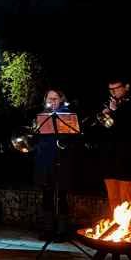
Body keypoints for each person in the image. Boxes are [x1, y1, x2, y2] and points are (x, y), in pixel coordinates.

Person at [33, 89, 74, 242]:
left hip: (61, 160)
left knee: (61, 197)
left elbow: (69, 137)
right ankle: (49, 230)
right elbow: (34, 136)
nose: (53, 101)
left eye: (55, 98)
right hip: (44, 160)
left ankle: (62, 231)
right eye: (49, 98)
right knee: (47, 197)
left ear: (61, 99)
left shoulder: (67, 115)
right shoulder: (42, 115)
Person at [98, 78, 131, 213]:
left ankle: (128, 229)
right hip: (108, 160)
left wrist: (115, 113)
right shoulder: (110, 104)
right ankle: (116, 229)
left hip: (125, 160)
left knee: (126, 201)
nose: (113, 92)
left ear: (126, 87)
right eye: (110, 89)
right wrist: (107, 114)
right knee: (113, 199)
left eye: (116, 89)